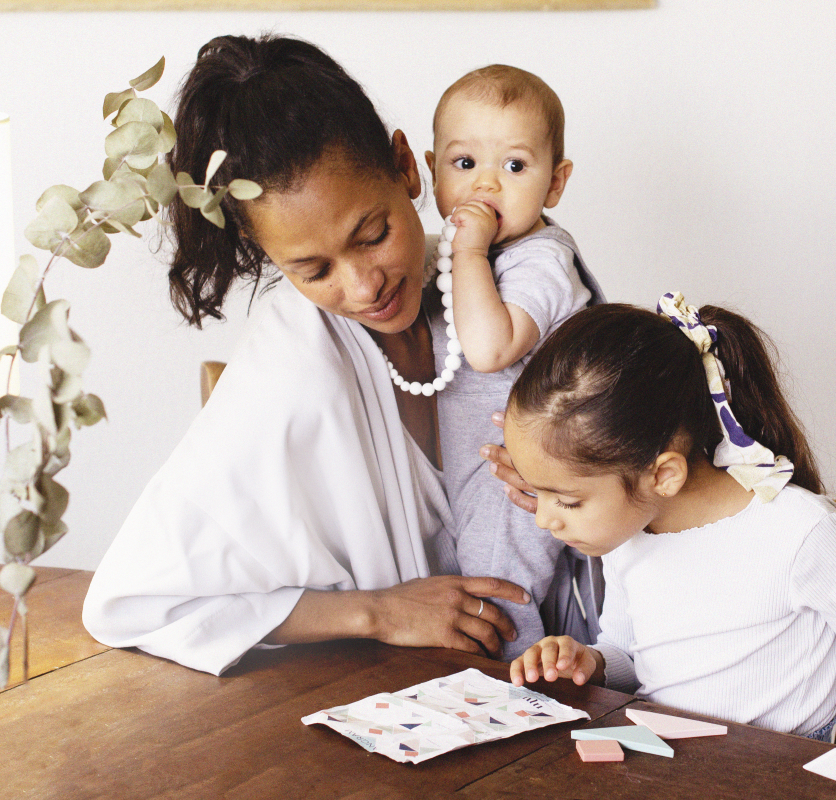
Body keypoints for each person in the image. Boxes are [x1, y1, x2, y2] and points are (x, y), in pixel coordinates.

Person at [81, 33, 603, 676]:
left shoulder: (495, 278)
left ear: (408, 167)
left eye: (374, 234)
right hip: (399, 699)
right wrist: (377, 612)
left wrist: (572, 475)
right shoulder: (293, 363)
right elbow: (136, 602)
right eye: (312, 268)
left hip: (571, 668)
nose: (364, 287)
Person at [505, 294, 836, 784]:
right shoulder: (630, 534)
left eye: (566, 501)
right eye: (535, 494)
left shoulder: (799, 531)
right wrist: (589, 661)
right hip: (664, 767)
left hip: (777, 777)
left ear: (664, 474)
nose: (545, 520)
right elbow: (631, 655)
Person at [420, 65, 599, 658]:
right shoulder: (458, 255)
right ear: (431, 169)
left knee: (498, 592)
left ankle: (509, 686)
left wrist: (468, 249)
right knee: (460, 582)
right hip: (469, 470)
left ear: (555, 183)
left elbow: (492, 348)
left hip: (519, 474)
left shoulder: (540, 261)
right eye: (464, 164)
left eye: (515, 167)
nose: (486, 186)